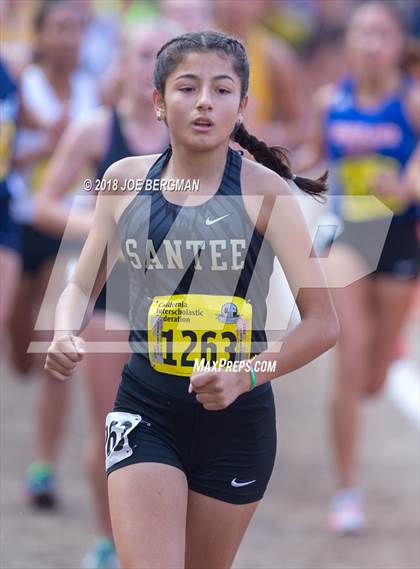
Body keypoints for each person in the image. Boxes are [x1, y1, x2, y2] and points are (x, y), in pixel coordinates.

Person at [44, 31, 338, 568]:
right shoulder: (124, 181)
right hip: (146, 408)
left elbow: (322, 324)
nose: (205, 101)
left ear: (242, 105)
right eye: (187, 87)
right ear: (158, 102)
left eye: (222, 90)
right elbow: (81, 285)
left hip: (237, 423)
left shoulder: (265, 192)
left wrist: (246, 374)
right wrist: (66, 329)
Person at [34, 21, 174, 569]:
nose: (151, 66)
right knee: (116, 424)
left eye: (163, 56)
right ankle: (106, 540)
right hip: (110, 291)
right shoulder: (96, 131)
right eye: (142, 54)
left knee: (176, 427)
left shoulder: (191, 134)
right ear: (121, 63)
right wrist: (100, 226)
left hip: (176, 300)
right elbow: (43, 204)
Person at [295, 1, 419, 533]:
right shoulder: (330, 99)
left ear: (398, 43)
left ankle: (382, 352)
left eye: (381, 34)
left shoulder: (411, 101)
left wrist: (407, 185)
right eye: (362, 33)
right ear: (349, 43)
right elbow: (313, 156)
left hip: (398, 238)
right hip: (350, 234)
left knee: (372, 381)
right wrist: (278, 166)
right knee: (347, 366)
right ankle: (347, 491)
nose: (370, 43)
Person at [9, 0, 99, 509]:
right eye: (59, 27)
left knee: (53, 348)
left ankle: (42, 466)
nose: (68, 37)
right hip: (18, 219)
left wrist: (87, 193)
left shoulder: (93, 90)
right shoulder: (21, 84)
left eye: (76, 28)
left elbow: (99, 162)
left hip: (66, 224)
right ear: (40, 34)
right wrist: (47, 145)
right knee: (19, 349)